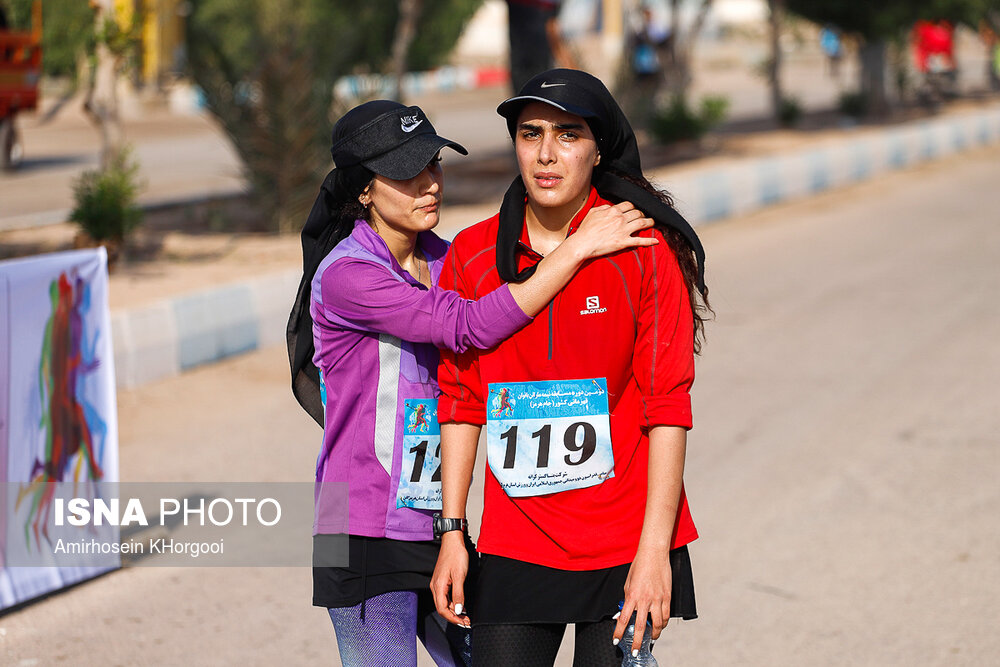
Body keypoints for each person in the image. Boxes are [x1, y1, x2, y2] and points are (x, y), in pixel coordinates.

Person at [286, 99, 659, 666]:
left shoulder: (447, 257)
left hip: (435, 522)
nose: (429, 184)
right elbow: (466, 326)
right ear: (364, 190)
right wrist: (577, 246)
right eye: (407, 173)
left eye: (432, 165)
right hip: (359, 525)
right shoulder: (349, 276)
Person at [430, 69, 710, 665]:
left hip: (623, 540)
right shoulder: (472, 256)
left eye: (569, 134)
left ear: (598, 147)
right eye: (531, 134)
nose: (547, 153)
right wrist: (452, 531)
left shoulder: (644, 249)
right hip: (517, 538)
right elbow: (459, 398)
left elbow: (667, 406)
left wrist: (653, 553)